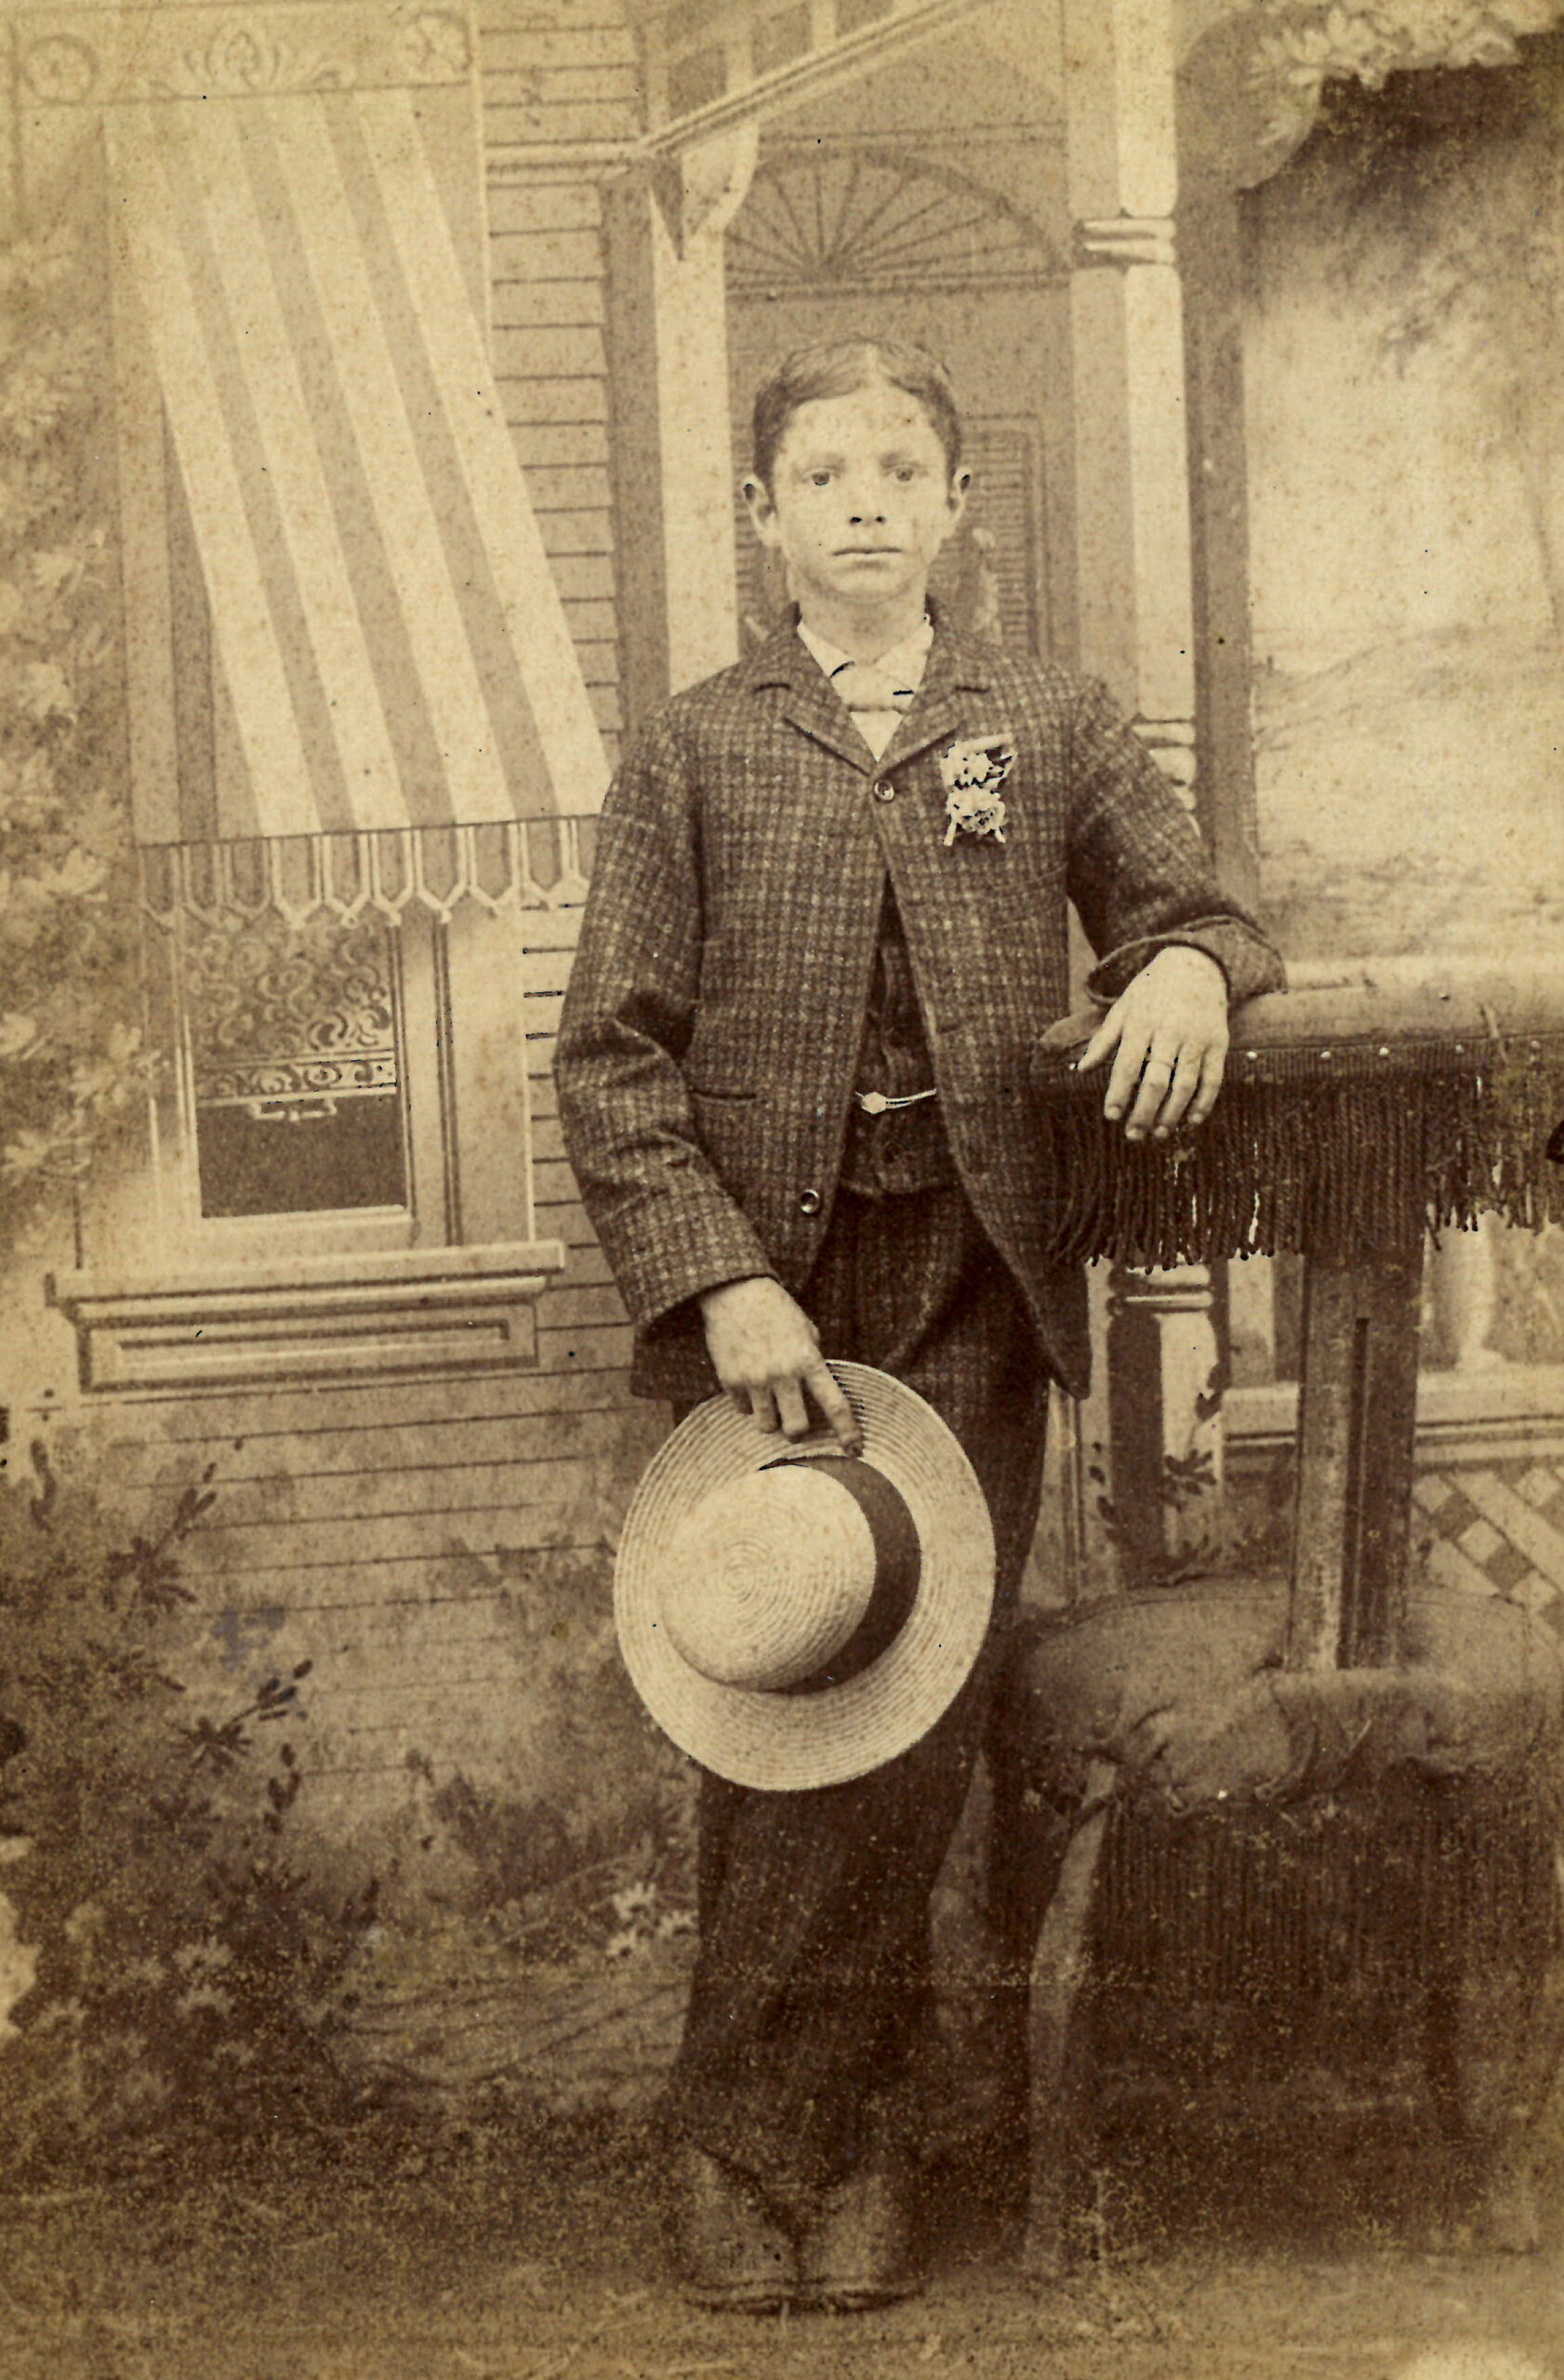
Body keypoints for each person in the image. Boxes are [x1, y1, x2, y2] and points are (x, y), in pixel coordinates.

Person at [554, 337, 1285, 2311]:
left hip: (964, 1276)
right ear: (760, 518)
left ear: (959, 507)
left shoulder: (1043, 716)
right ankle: (775, 2137)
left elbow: (1201, 904)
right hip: (768, 1296)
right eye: (822, 471)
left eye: (902, 467)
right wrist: (721, 1281)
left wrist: (1193, 976)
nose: (865, 501)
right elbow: (609, 1059)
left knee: (912, 1700)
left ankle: (810, 2140)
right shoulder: (692, 747)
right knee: (775, 1686)